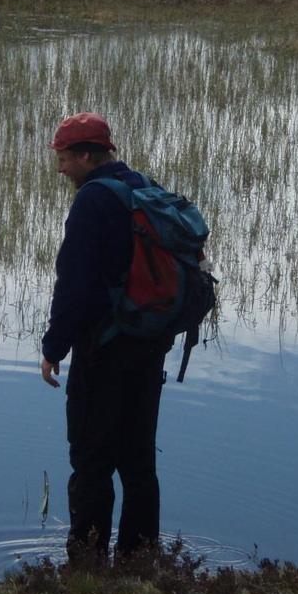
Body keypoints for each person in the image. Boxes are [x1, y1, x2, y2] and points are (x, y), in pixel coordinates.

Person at [40, 112, 174, 567]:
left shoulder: (91, 202)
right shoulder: (140, 187)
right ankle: (140, 560)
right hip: (149, 345)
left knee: (92, 461)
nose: (59, 169)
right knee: (139, 463)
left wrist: (53, 348)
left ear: (84, 155)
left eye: (62, 159)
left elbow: (73, 285)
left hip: (103, 350)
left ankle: (87, 565)